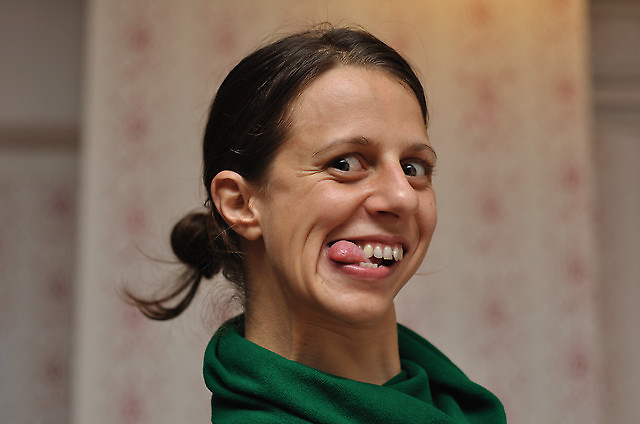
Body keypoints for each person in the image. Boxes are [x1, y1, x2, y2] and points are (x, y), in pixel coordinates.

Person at [127, 24, 507, 423]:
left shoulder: (462, 406)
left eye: (414, 168)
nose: (403, 197)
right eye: (345, 163)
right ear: (240, 203)